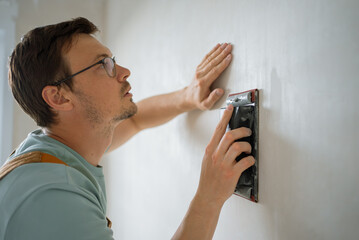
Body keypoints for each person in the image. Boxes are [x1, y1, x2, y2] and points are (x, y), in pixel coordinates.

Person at [0, 17, 255, 240]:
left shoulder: (56, 149)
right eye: (103, 65)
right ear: (59, 97)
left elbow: (136, 119)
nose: (123, 71)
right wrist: (208, 199)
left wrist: (188, 96)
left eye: (113, 60)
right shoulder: (52, 197)